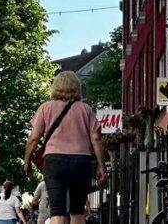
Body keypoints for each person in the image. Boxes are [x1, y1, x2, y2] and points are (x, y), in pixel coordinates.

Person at [23, 71, 106, 224]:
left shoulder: (45, 108)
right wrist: (101, 166)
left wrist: (27, 160)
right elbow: (96, 139)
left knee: (57, 211)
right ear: (77, 88)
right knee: (77, 211)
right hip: (81, 161)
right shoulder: (86, 109)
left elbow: (34, 138)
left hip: (54, 161)